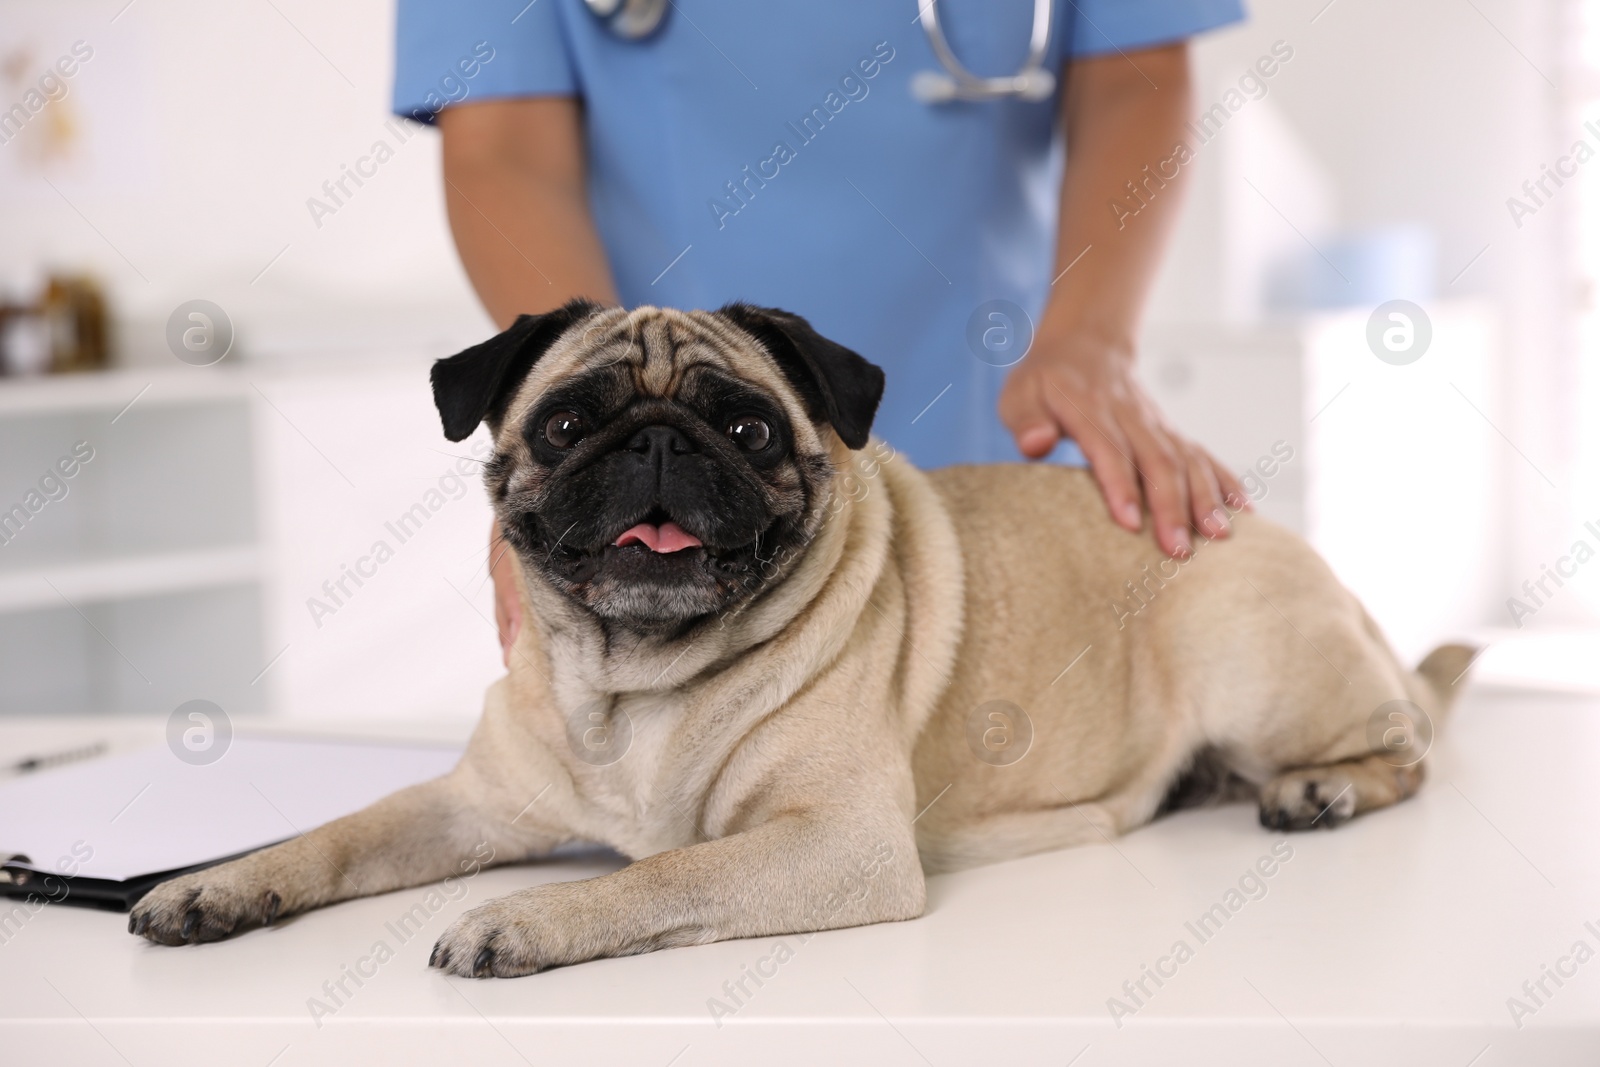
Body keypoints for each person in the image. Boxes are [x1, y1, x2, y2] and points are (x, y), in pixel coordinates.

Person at [394, 0, 1250, 664]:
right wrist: (585, 417)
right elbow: (500, 143)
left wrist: (1090, 340)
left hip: (1006, 430)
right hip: (664, 526)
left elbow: (1136, 65)